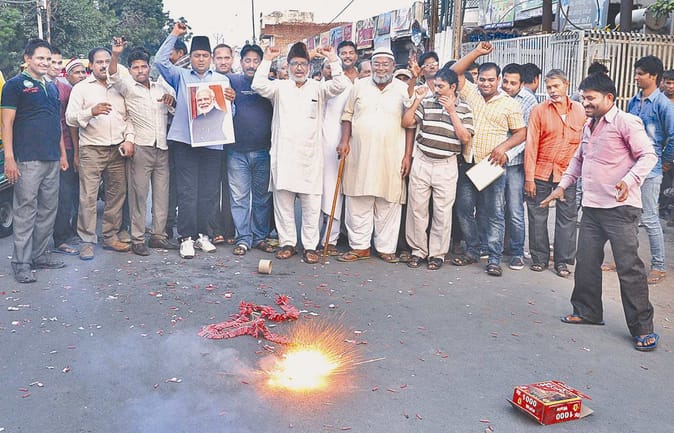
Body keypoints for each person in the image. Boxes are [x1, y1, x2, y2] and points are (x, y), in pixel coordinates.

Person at [541, 72, 659, 352]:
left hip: (621, 208)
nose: (585, 103)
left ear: (609, 98)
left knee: (629, 267)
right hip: (593, 207)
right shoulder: (589, 125)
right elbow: (578, 159)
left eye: (590, 98)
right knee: (586, 261)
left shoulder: (626, 122)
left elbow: (648, 156)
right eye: (583, 98)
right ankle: (587, 311)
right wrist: (563, 186)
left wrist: (629, 180)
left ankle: (643, 329)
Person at [252, 42, 348, 264]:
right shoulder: (279, 87)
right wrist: (267, 59)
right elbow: (258, 84)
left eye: (303, 64)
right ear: (287, 67)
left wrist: (333, 58)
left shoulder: (318, 88)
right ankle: (287, 244)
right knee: (284, 206)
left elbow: (341, 84)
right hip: (284, 157)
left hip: (310, 159)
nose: (298, 68)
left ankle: (310, 246)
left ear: (309, 67)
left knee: (312, 207)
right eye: (294, 64)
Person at [155, 23, 235, 258]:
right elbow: (160, 61)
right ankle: (186, 237)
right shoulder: (180, 75)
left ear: (211, 58)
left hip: (212, 142)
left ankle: (202, 235)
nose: (201, 59)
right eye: (197, 55)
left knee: (208, 191)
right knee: (187, 191)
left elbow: (229, 115)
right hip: (185, 142)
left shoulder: (222, 80)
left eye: (205, 56)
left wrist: (232, 102)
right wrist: (174, 34)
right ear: (190, 58)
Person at [450, 42, 526, 277]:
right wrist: (476, 53)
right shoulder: (470, 93)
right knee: (463, 209)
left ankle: (493, 258)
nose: (486, 83)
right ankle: (473, 250)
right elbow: (454, 72)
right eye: (482, 79)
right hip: (468, 160)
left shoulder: (509, 104)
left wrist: (503, 147)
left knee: (494, 213)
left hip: (491, 165)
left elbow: (521, 133)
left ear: (498, 80)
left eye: (491, 80)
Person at [337, 47, 414, 264]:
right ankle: (359, 247)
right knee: (358, 200)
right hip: (359, 154)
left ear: (393, 66)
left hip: (393, 155)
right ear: (371, 66)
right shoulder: (359, 86)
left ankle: (386, 248)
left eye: (385, 64)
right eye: (377, 64)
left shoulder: (403, 89)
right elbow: (347, 115)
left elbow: (410, 125)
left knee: (388, 202)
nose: (381, 68)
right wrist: (344, 141)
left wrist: (408, 155)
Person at [1, 39, 66, 283]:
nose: (45, 62)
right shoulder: (15, 85)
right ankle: (21, 262)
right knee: (25, 211)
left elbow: (55, 123)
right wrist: (10, 158)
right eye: (40, 58)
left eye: (48, 59)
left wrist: (62, 154)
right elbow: (6, 123)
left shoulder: (51, 87)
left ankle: (39, 256)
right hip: (27, 158)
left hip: (51, 158)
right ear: (27, 59)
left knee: (48, 209)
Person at [66, 46, 135, 261]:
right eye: (99, 62)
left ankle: (110, 236)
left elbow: (130, 117)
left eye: (107, 61)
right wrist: (91, 112)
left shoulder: (120, 86)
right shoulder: (81, 88)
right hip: (91, 149)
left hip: (117, 150)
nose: (104, 65)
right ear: (91, 65)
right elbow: (70, 118)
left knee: (116, 194)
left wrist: (129, 139)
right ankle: (87, 241)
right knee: (88, 197)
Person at [109, 40, 176, 255]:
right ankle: (138, 238)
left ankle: (158, 236)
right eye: (136, 67)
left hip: (162, 147)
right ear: (130, 70)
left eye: (143, 66)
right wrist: (115, 54)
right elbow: (113, 75)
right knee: (139, 195)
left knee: (162, 195)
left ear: (149, 68)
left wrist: (172, 102)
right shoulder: (128, 87)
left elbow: (175, 111)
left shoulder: (161, 87)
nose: (140, 70)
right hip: (140, 147)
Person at [402, 67, 473, 270]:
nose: (437, 90)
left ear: (453, 87)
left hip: (446, 164)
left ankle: (437, 254)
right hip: (423, 160)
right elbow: (406, 122)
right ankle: (418, 251)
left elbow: (465, 138)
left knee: (442, 212)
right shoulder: (427, 102)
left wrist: (451, 111)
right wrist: (417, 99)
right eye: (436, 86)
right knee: (417, 209)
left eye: (441, 86)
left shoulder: (464, 108)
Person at [524, 69, 586, 277]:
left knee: (567, 217)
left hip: (567, 174)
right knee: (537, 215)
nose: (552, 91)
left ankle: (562, 262)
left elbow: (585, 143)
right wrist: (529, 178)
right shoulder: (539, 110)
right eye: (549, 87)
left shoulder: (580, 110)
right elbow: (531, 145)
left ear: (566, 85)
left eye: (556, 86)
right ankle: (539, 259)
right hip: (541, 172)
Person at [627, 55, 674, 284]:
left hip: (652, 170)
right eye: (636, 73)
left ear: (653, 76)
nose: (636, 77)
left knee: (650, 218)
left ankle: (658, 266)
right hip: (631, 167)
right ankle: (627, 259)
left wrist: (664, 161)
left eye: (640, 74)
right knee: (629, 217)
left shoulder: (663, 104)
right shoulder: (633, 101)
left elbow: (673, 137)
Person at [225, 44, 274, 256]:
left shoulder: (271, 86)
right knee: (239, 198)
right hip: (237, 152)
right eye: (248, 60)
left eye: (256, 61)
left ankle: (260, 237)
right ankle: (243, 238)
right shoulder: (231, 82)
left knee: (262, 198)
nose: (251, 65)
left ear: (262, 64)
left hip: (264, 151)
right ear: (241, 62)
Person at [319, 41, 359, 255]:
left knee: (339, 189)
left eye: (351, 53)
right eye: (343, 53)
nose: (347, 56)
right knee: (320, 190)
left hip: (346, 140)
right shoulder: (323, 86)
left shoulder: (358, 83)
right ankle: (315, 239)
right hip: (322, 141)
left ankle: (333, 238)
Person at [500, 63, 538, 270]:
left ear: (522, 84)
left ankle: (516, 252)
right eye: (505, 81)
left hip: (514, 164)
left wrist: (508, 153)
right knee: (494, 208)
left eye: (513, 83)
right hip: (494, 162)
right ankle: (493, 247)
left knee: (515, 209)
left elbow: (528, 136)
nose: (508, 86)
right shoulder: (496, 96)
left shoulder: (529, 101)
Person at [51, 59, 88, 256]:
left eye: (83, 72)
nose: (81, 76)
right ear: (67, 75)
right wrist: (69, 153)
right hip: (65, 146)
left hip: (84, 146)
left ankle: (75, 230)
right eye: (76, 73)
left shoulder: (84, 91)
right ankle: (61, 237)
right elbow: (65, 123)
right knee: (64, 194)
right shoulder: (62, 91)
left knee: (79, 193)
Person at [209, 43, 237, 246]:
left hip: (233, 142)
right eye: (219, 58)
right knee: (211, 187)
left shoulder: (237, 80)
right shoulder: (206, 80)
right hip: (210, 142)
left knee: (231, 189)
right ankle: (214, 229)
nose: (223, 62)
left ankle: (230, 229)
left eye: (227, 58)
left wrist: (232, 101)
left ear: (232, 58)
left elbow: (234, 113)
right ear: (213, 59)